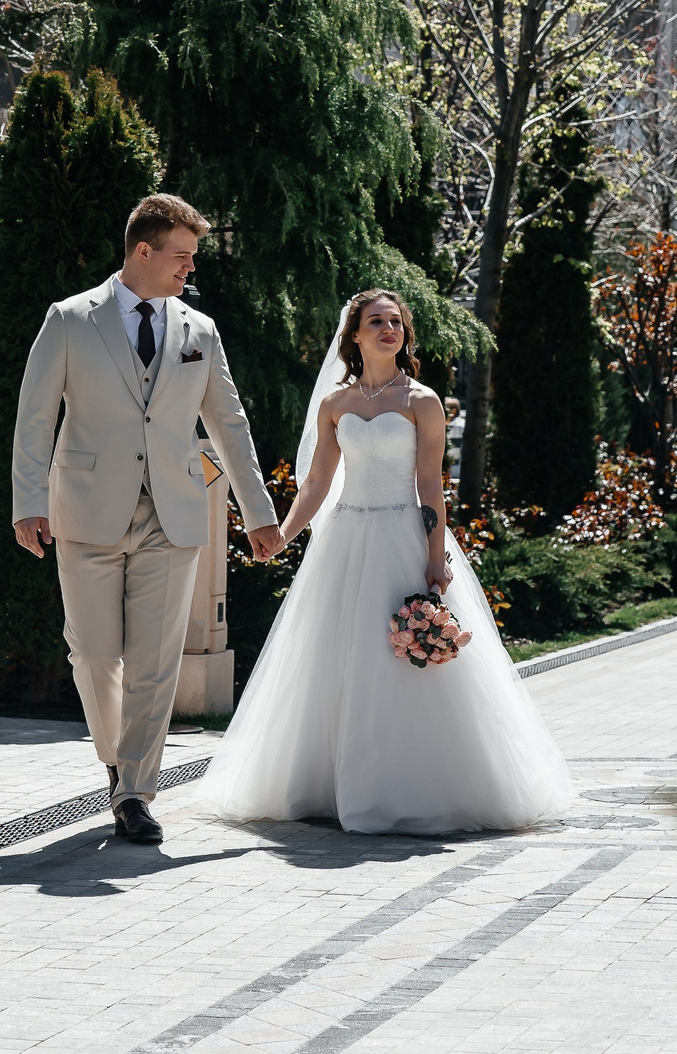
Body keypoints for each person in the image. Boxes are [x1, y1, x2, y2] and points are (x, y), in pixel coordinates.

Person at [200, 290, 575, 834]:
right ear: (354, 334)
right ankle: (330, 785)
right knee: (338, 659)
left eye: (395, 322)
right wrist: (281, 536)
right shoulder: (336, 404)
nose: (388, 329)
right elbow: (319, 483)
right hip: (347, 538)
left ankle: (413, 784)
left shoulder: (421, 401)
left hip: (404, 534)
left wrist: (435, 556)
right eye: (376, 321)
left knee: (403, 662)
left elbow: (430, 482)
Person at [11, 194, 285, 844]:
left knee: (156, 660)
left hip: (174, 512)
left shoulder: (199, 331)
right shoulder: (71, 319)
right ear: (143, 250)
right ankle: (116, 757)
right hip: (87, 509)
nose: (189, 268)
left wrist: (258, 513)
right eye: (181, 255)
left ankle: (135, 791)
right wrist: (28, 500)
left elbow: (230, 424)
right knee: (95, 654)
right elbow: (34, 416)